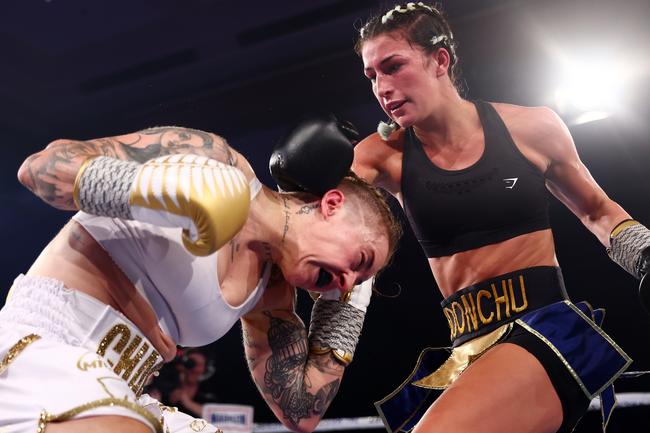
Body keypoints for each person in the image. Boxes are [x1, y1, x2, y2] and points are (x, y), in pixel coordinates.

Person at [268, 3, 650, 433]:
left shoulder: (531, 128)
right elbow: (312, 227)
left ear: (440, 60)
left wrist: (646, 256)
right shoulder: (381, 156)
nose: (382, 88)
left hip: (545, 333)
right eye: (372, 76)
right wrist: (295, 181)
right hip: (466, 351)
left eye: (393, 67)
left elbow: (598, 211)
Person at [0, 125, 402, 433]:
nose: (345, 283)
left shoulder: (270, 294)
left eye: (357, 284)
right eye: (360, 262)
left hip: (117, 387)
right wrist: (147, 190)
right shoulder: (213, 160)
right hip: (43, 347)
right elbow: (39, 169)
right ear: (332, 204)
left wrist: (343, 310)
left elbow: (301, 412)